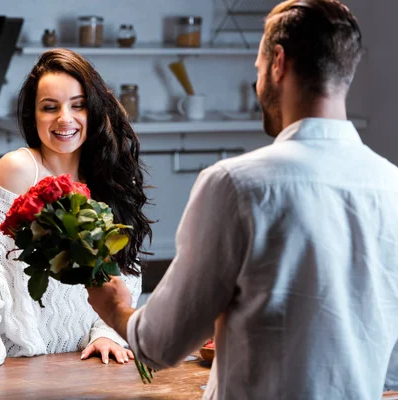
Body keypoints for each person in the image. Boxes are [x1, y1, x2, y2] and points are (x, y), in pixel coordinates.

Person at [87, 1, 398, 399]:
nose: (257, 85)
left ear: (278, 63)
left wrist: (115, 308)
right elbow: (390, 369)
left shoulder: (234, 184)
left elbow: (160, 344)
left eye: (257, 69)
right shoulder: (391, 186)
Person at [0, 48, 153, 378]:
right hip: (21, 363)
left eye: (77, 105)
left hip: (94, 362)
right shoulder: (17, 169)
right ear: (32, 116)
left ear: (92, 110)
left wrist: (109, 333)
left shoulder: (112, 176)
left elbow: (126, 270)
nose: (65, 118)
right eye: (50, 107)